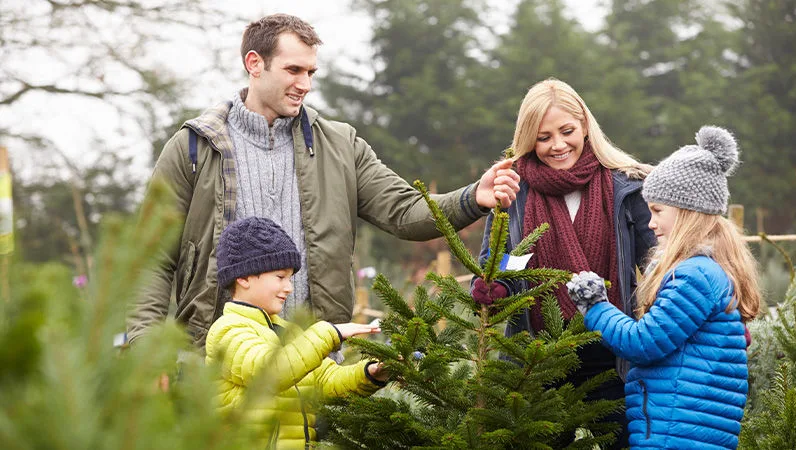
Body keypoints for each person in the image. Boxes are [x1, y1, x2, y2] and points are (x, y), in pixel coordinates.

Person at [127, 13, 520, 349]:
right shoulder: (193, 147)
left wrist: (474, 197)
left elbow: (404, 212)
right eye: (293, 70)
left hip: (314, 361)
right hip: (214, 366)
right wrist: (143, 346)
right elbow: (151, 257)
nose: (306, 84)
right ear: (254, 63)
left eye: (311, 72)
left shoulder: (341, 145)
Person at [471, 78, 656, 448]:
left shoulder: (626, 185)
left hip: (616, 359)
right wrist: (495, 283)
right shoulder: (514, 190)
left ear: (585, 126)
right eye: (543, 137)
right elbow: (509, 258)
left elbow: (657, 262)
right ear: (528, 139)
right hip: (539, 361)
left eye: (566, 131)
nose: (557, 145)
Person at [566, 125, 760, 449]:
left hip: (675, 432)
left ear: (687, 213)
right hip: (683, 429)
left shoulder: (694, 277)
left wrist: (596, 306)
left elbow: (642, 343)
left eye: (657, 211)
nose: (651, 222)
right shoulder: (709, 271)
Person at [205, 216, 389, 449]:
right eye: (280, 277)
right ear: (243, 277)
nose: (289, 288)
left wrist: (372, 372)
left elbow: (326, 380)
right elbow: (271, 373)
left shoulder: (288, 331)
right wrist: (329, 332)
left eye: (290, 278)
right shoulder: (227, 331)